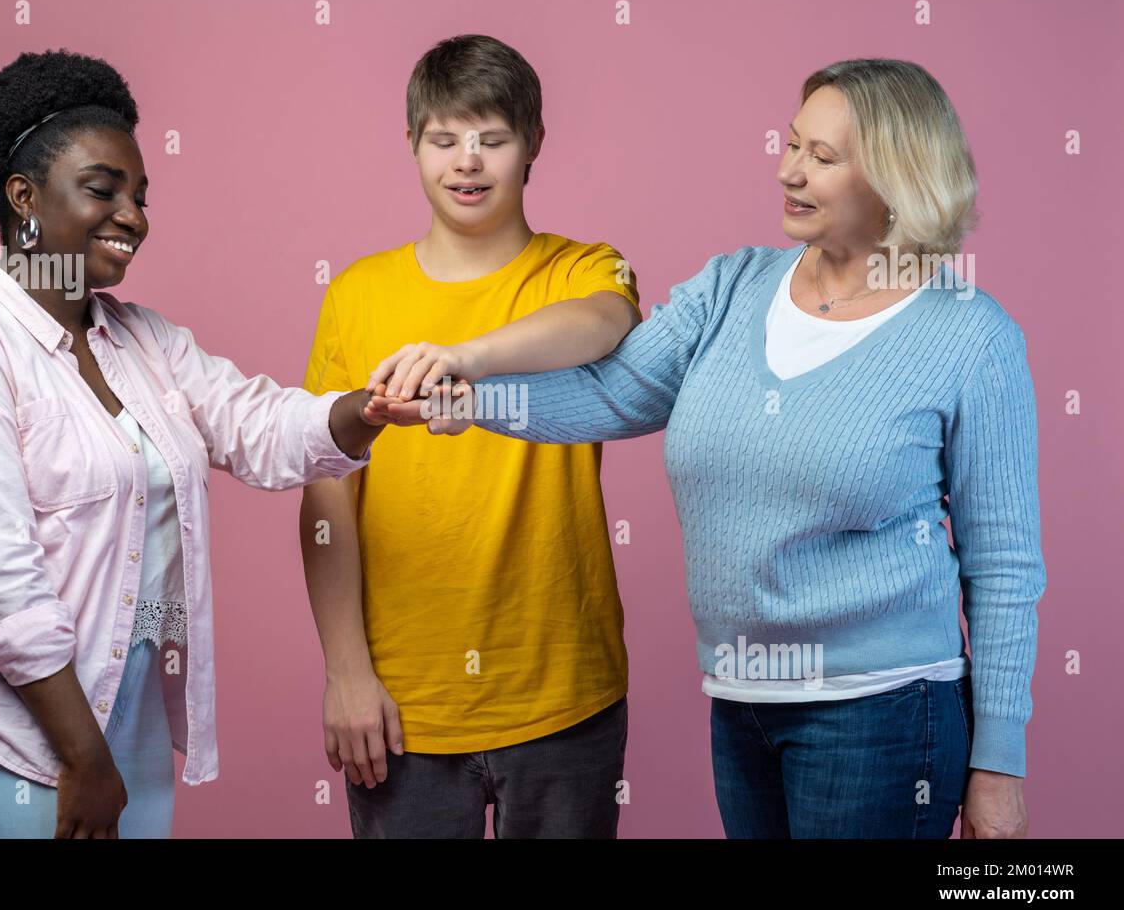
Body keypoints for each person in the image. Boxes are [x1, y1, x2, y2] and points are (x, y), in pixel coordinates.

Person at [372, 59, 1046, 839]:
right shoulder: (732, 287)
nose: (788, 170)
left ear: (900, 174)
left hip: (883, 709)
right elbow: (610, 393)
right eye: (792, 144)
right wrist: (464, 397)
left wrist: (999, 763)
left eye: (821, 158)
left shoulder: (969, 333)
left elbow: (1004, 565)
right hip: (744, 701)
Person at [0, 49, 388, 838]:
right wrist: (85, 760)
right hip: (3, 729)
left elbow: (257, 426)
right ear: (23, 198)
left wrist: (376, 406)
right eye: (103, 190)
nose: (134, 216)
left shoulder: (144, 341)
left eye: (141, 195)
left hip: (127, 719)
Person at [299, 34, 642, 838]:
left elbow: (606, 322)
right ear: (413, 145)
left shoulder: (582, 270)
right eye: (445, 138)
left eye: (493, 139)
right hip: (403, 703)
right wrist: (346, 674)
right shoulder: (356, 294)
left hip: (564, 691)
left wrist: (468, 358)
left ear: (533, 147)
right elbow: (325, 498)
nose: (468, 162)